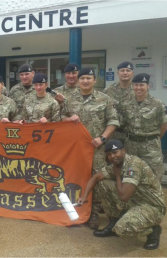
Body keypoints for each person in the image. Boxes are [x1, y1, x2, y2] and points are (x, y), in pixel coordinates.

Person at [77, 139, 165, 250]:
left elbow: (124, 197)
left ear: (123, 150)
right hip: (135, 199)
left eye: (115, 152)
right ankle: (113, 221)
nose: (113, 156)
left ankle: (153, 230)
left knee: (122, 228)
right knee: (103, 183)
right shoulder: (117, 164)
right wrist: (84, 196)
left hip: (152, 205)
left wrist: (118, 176)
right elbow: (96, 177)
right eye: (109, 154)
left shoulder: (133, 165)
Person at [63, 67, 119, 229]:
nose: (85, 81)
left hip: (97, 149)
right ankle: (75, 210)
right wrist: (68, 119)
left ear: (95, 80)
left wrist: (102, 138)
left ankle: (93, 213)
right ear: (78, 81)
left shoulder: (104, 99)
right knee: (75, 178)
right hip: (76, 149)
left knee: (97, 180)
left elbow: (113, 121)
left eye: (89, 78)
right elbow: (60, 117)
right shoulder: (69, 99)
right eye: (83, 78)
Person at [121, 73, 167, 181]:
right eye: (136, 85)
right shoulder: (126, 104)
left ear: (148, 86)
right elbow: (123, 123)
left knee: (154, 178)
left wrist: (153, 139)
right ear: (132, 86)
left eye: (142, 85)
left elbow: (164, 125)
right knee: (130, 176)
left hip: (151, 148)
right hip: (131, 146)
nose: (138, 88)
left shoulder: (157, 104)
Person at [103, 61, 134, 141]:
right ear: (118, 73)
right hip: (112, 134)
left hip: (131, 135)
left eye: (128, 70)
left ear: (132, 73)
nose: (125, 73)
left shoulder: (138, 90)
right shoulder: (109, 90)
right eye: (122, 70)